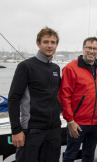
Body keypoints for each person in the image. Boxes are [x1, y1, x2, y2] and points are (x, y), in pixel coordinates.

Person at [8, 27, 62, 162]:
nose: (49, 45)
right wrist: (16, 130)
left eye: (53, 42)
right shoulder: (26, 66)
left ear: (56, 45)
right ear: (38, 43)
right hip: (32, 129)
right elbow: (14, 98)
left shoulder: (55, 68)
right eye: (46, 42)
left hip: (53, 129)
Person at [58, 37, 97, 162]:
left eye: (95, 48)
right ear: (83, 48)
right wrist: (70, 121)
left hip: (96, 123)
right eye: (89, 48)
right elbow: (64, 96)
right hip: (77, 123)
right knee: (70, 155)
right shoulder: (70, 68)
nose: (91, 51)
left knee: (89, 155)